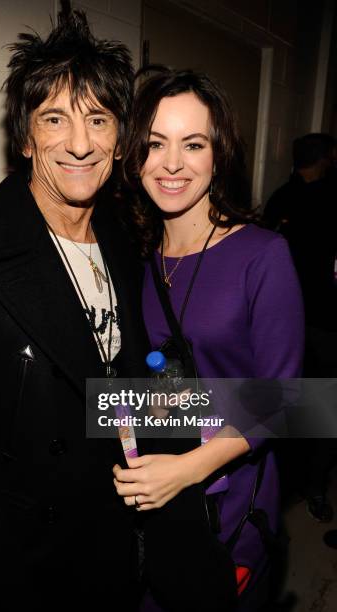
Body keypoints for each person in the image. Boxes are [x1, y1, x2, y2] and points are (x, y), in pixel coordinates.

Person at [0, 5, 149, 610]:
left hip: (107, 530)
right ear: (25, 138)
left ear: (120, 140)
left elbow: (110, 392)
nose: (80, 144)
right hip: (17, 557)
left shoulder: (123, 244)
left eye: (98, 120)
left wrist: (249, 415)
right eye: (55, 119)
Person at [113, 68, 305, 611]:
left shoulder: (262, 256)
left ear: (217, 155)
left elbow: (289, 400)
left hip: (228, 501)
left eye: (193, 144)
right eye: (155, 144)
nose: (172, 164)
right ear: (135, 156)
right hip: (155, 497)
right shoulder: (138, 257)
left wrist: (187, 470)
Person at [264, 133, 337, 523]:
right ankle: (295, 485)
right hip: (287, 324)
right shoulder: (282, 199)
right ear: (325, 158)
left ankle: (311, 487)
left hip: (321, 320)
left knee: (320, 407)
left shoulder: (314, 196)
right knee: (289, 404)